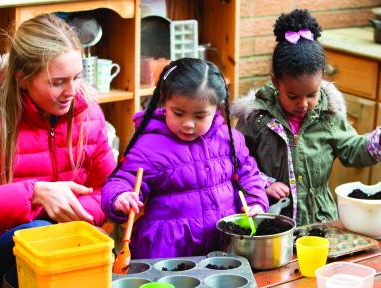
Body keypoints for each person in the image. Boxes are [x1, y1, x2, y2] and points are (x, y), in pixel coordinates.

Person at [0, 13, 116, 288]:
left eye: (77, 77)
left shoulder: (88, 114)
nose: (72, 91)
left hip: (57, 252)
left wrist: (70, 212)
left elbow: (108, 190)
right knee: (39, 233)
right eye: (58, 82)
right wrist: (35, 194)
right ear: (22, 79)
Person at [233, 9, 381, 226]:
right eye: (292, 96)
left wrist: (379, 142)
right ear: (276, 83)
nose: (303, 104)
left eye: (311, 95)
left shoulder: (328, 116)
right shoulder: (256, 119)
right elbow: (236, 161)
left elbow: (352, 148)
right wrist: (264, 183)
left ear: (322, 78)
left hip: (320, 222)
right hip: (273, 223)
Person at [102, 58, 268, 259]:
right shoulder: (150, 146)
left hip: (223, 243)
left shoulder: (230, 140)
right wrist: (120, 197)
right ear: (165, 102)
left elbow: (248, 175)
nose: (188, 124)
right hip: (167, 250)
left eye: (199, 116)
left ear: (217, 108)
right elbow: (124, 179)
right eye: (178, 113)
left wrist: (256, 202)